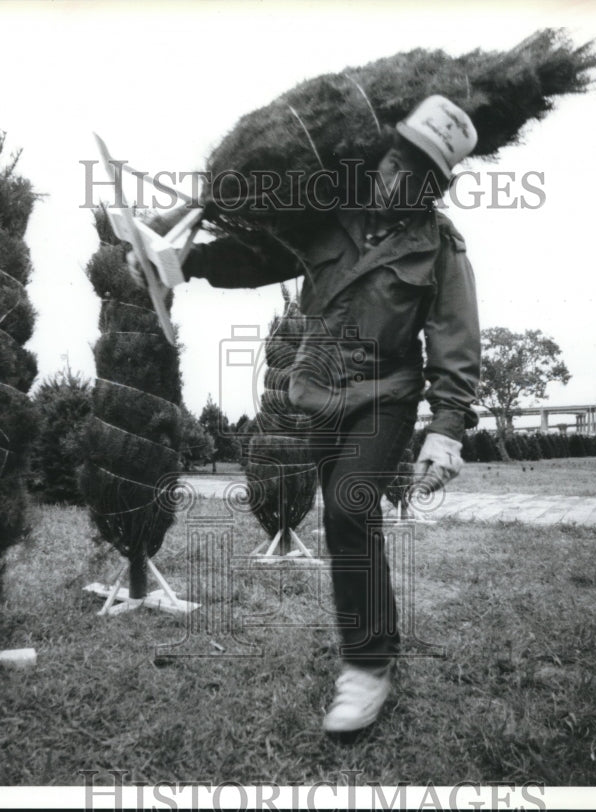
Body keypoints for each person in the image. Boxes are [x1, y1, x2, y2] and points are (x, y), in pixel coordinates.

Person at [131, 96, 481, 734]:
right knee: (351, 525)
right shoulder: (332, 214)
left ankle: (367, 667)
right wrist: (187, 262)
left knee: (349, 509)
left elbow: (454, 339)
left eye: (418, 172)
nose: (397, 177)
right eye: (395, 159)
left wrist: (447, 431)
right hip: (317, 391)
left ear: (435, 185)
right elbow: (261, 259)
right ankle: (383, 632)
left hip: (387, 395)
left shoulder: (441, 247)